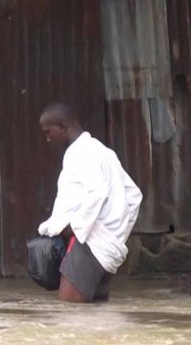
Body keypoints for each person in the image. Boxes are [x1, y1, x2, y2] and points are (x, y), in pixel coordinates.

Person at [37, 103, 143, 303]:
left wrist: (77, 229)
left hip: (87, 249)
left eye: (48, 132)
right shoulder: (104, 152)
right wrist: (117, 234)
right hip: (107, 253)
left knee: (68, 320)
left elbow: (97, 192)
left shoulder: (79, 153)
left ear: (62, 126)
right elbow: (135, 196)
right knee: (96, 324)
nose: (48, 138)